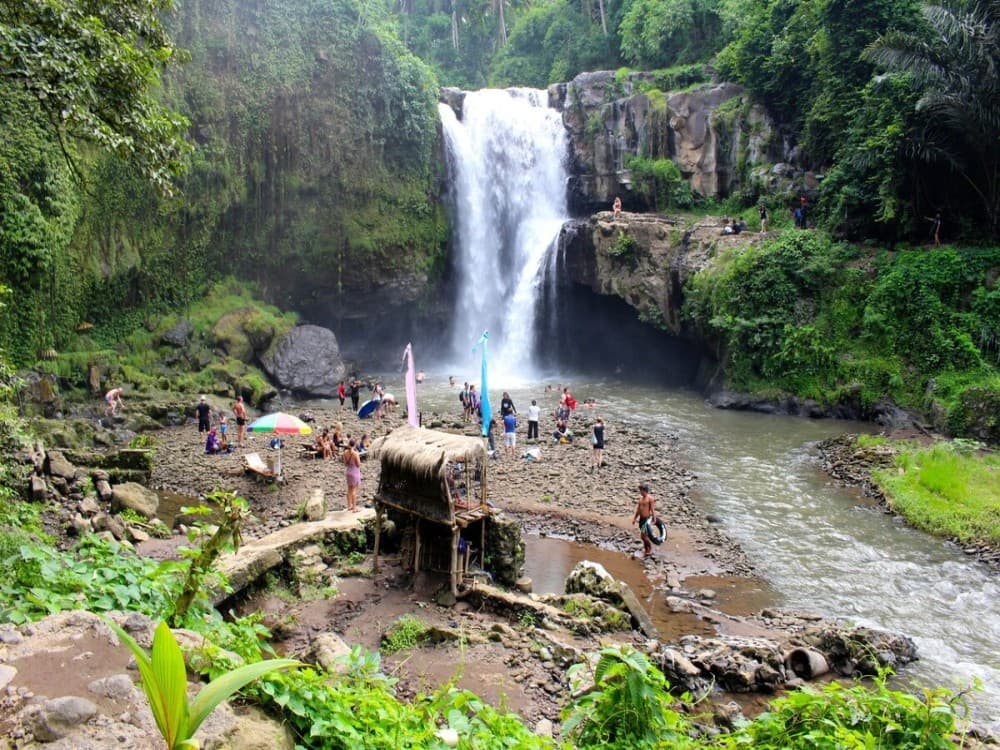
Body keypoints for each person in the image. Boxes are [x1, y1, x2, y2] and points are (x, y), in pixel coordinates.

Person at [632, 483, 656, 559]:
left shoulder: (650, 498)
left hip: (646, 520)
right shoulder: (641, 499)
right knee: (643, 536)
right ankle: (646, 550)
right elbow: (638, 510)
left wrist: (654, 518)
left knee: (643, 536)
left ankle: (650, 549)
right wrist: (635, 518)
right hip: (641, 520)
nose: (640, 492)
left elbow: (652, 509)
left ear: (644, 490)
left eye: (641, 491)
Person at [344, 438, 362, 512]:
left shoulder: (345, 452)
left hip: (348, 472)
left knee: (349, 489)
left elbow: (345, 463)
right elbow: (358, 464)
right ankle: (354, 508)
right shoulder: (355, 454)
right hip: (355, 472)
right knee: (354, 490)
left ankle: (349, 506)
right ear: (354, 445)